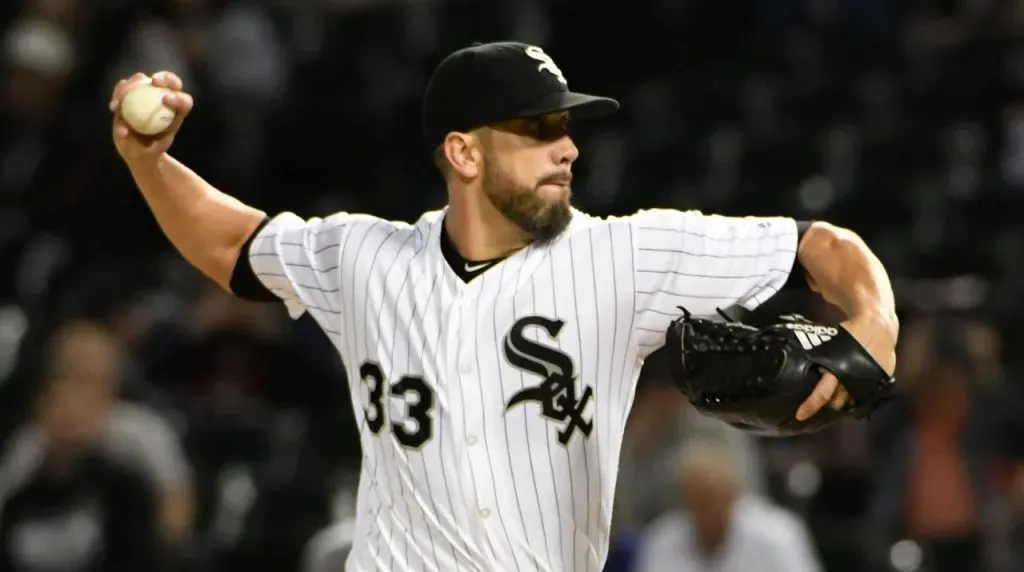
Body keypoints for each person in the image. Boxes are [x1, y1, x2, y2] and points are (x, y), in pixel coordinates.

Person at [107, 41, 898, 572]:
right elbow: (231, 246)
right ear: (464, 151)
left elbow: (820, 245)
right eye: (539, 127)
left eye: (566, 127)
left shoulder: (624, 255)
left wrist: (873, 321)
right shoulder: (362, 257)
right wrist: (149, 164)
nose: (569, 147)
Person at [635, 440, 823, 572]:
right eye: (698, 498)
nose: (707, 507)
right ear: (685, 500)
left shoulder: (777, 535)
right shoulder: (661, 540)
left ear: (732, 494)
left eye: (713, 497)